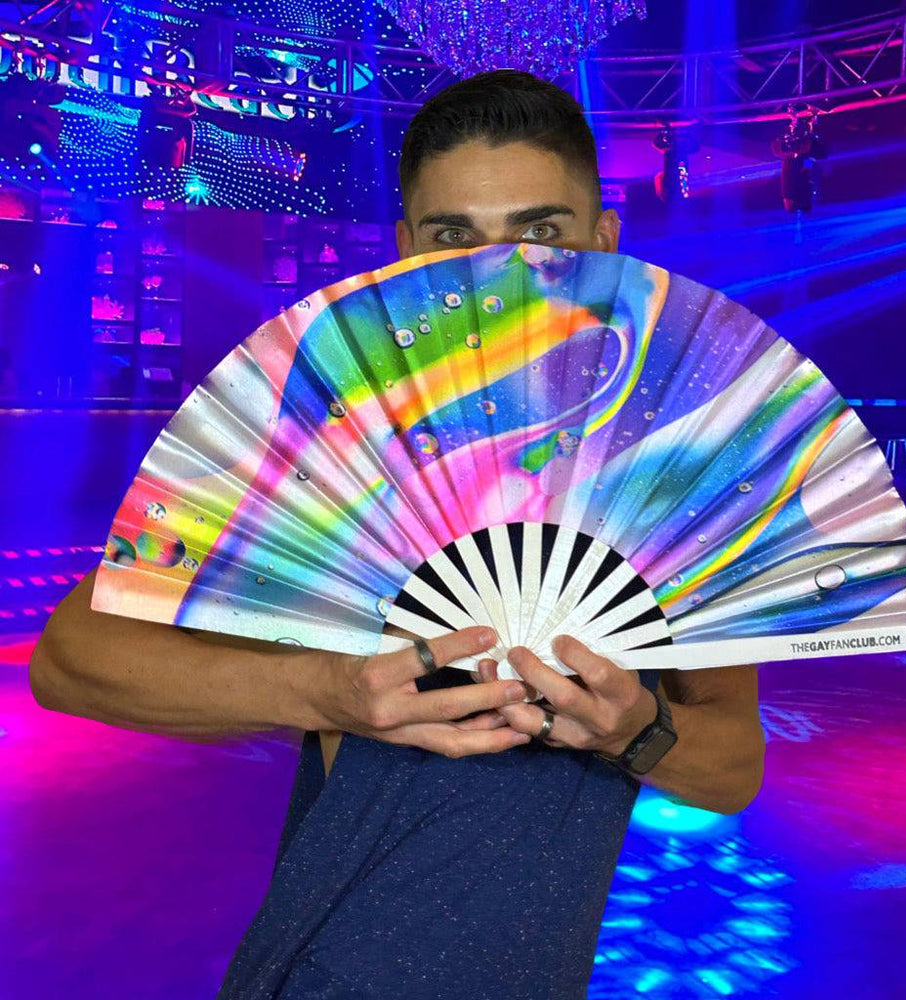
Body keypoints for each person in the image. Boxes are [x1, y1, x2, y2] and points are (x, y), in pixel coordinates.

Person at [28, 70, 765, 999]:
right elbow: (71, 659)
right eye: (455, 236)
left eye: (540, 232)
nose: (498, 275)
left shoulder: (670, 478)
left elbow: (732, 766)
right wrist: (327, 692)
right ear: (409, 250)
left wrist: (636, 730)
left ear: (604, 240)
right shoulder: (335, 445)